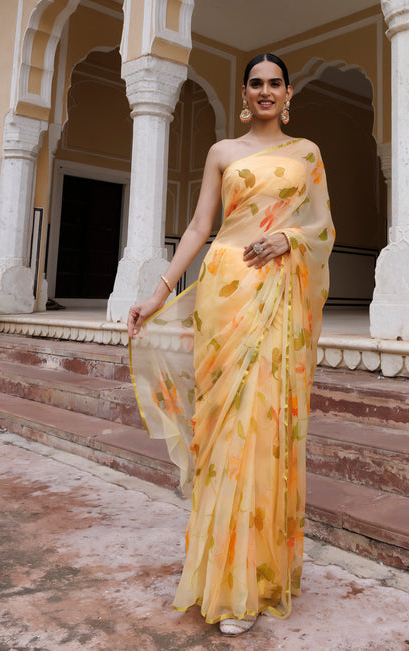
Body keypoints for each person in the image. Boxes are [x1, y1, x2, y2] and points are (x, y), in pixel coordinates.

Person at [128, 53, 334, 636]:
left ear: (288, 92)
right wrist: (159, 291)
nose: (265, 92)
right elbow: (199, 226)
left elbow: (324, 225)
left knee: (265, 425)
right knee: (222, 431)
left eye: (275, 84)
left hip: (278, 300)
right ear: (244, 93)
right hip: (225, 293)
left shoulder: (307, 154)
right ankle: (222, 575)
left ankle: (257, 578)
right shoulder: (223, 152)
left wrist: (288, 237)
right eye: (255, 84)